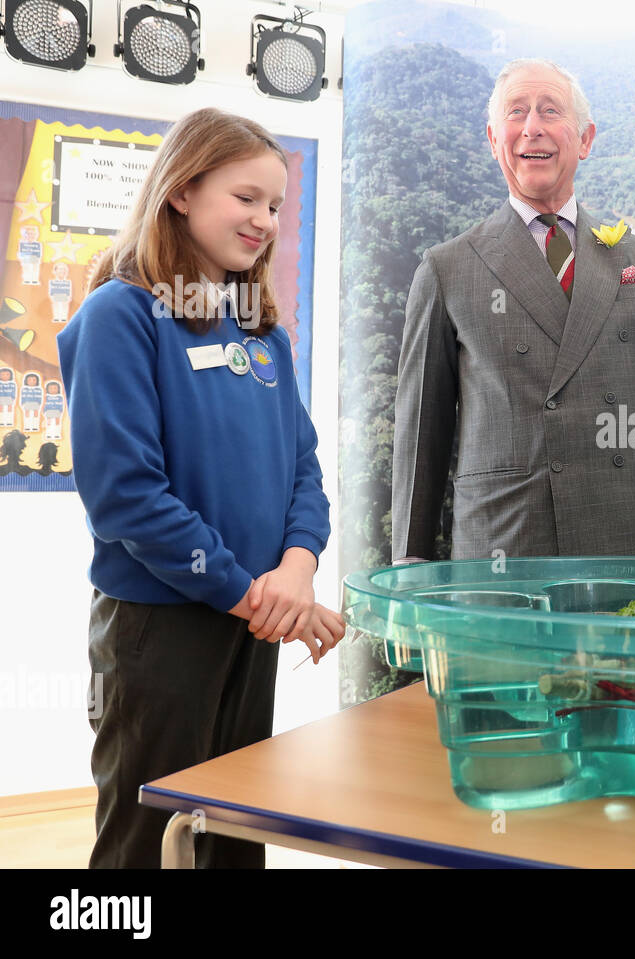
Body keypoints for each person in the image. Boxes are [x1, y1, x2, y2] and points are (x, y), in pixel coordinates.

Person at [57, 107, 344, 868]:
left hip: (249, 629)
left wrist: (298, 568)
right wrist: (257, 595)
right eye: (246, 197)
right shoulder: (120, 315)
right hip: (162, 627)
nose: (264, 220)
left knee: (233, 835)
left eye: (276, 205)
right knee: (148, 847)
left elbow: (303, 469)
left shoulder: (261, 332)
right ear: (182, 189)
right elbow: (126, 497)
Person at [392, 58, 635, 562]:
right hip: (506, 547)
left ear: (585, 139)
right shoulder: (447, 269)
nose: (532, 126)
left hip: (634, 535)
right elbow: (423, 432)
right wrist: (410, 563)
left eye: (550, 110)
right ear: (493, 139)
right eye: (517, 112)